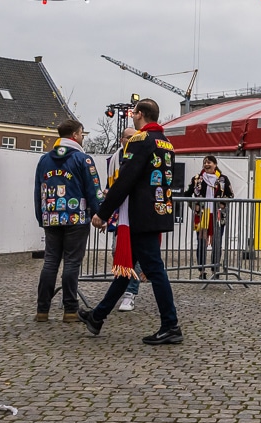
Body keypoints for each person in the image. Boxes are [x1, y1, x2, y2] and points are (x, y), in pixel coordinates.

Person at [79, 99, 182, 345]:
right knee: (126, 271)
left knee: (155, 270)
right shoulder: (166, 143)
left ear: (141, 115)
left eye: (134, 112)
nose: (132, 115)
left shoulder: (140, 141)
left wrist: (103, 213)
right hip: (157, 210)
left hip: (141, 215)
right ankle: (98, 315)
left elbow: (124, 181)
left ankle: (171, 325)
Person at [34, 119, 102, 322]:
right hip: (76, 217)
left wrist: (41, 216)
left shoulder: (44, 160)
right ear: (74, 135)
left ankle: (42, 310)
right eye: (82, 133)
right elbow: (93, 190)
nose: (82, 137)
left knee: (50, 262)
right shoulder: (83, 159)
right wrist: (100, 213)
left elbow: (38, 191)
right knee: (72, 262)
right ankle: (70, 309)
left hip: (51, 216)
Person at [105, 127, 143, 312]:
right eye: (129, 137)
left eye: (134, 138)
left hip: (136, 213)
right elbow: (110, 186)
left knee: (136, 255)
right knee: (117, 251)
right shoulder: (112, 160)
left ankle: (130, 294)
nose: (131, 140)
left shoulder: (141, 156)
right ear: (121, 139)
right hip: (119, 214)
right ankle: (117, 294)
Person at [184, 155, 234, 278]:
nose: (206, 164)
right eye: (205, 162)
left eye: (209, 162)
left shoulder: (223, 179)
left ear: (215, 164)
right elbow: (186, 194)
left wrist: (222, 204)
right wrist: (194, 205)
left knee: (217, 243)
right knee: (201, 243)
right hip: (202, 216)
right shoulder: (197, 179)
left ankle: (215, 270)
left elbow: (231, 195)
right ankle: (201, 271)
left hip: (217, 216)